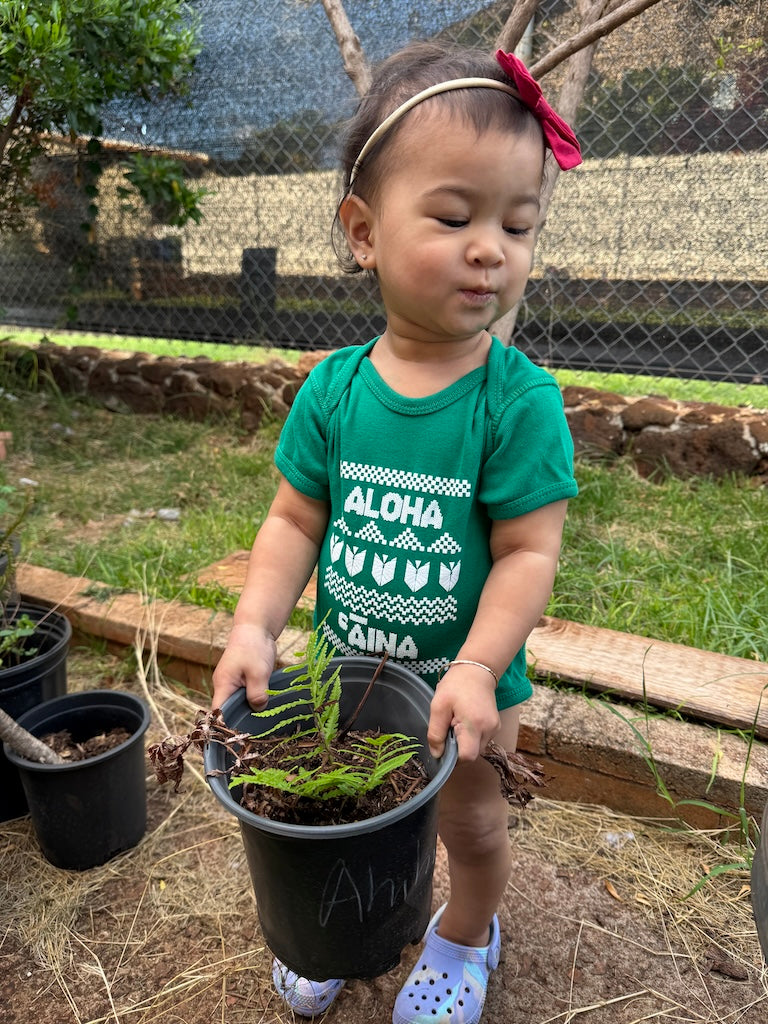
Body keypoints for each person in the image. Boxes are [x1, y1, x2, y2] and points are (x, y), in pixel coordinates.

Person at [212, 40, 581, 1024]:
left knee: (468, 819)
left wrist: (475, 664)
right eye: (455, 216)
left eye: (517, 222)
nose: (490, 247)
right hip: (349, 675)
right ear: (364, 231)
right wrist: (256, 623)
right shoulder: (333, 389)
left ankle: (466, 933)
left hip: (467, 683)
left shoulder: (517, 402)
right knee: (346, 806)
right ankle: (342, 922)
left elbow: (527, 553)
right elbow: (294, 518)